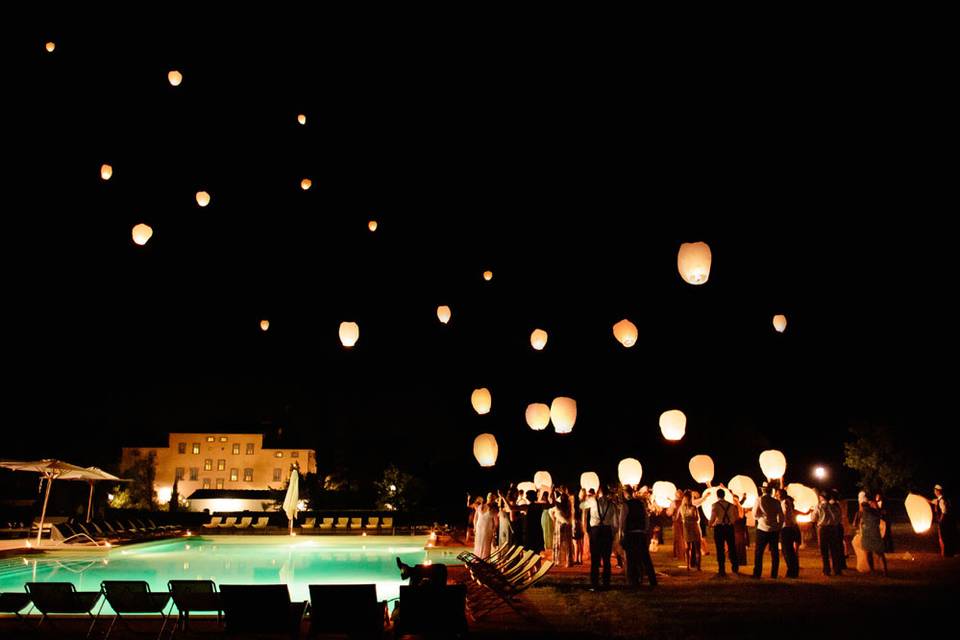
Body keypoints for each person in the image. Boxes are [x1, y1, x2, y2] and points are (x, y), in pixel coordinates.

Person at [620, 485, 657, 587]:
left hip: (631, 533)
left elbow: (622, 521)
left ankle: (634, 581)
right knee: (645, 558)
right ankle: (652, 580)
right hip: (640, 533)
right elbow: (646, 518)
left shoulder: (625, 505)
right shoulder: (640, 504)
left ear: (625, 493)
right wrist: (645, 529)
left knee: (631, 558)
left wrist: (622, 533)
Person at [584, 484, 617, 590]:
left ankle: (594, 584)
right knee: (606, 559)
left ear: (598, 493)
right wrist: (613, 533)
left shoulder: (592, 503)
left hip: (596, 531)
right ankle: (606, 583)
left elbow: (582, 506)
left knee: (595, 559)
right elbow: (615, 521)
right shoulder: (611, 504)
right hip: (607, 530)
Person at [752, 483, 783, 579]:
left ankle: (757, 573)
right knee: (774, 553)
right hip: (774, 529)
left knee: (759, 552)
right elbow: (781, 515)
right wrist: (779, 525)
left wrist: (761, 517)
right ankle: (774, 573)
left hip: (762, 528)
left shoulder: (759, 500)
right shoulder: (776, 502)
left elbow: (755, 515)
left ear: (763, 490)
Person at [709, 488, 739, 576]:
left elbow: (712, 517)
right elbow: (736, 517)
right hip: (729, 527)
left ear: (717, 495)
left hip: (719, 528)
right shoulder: (731, 505)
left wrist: (710, 524)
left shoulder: (715, 505)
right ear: (724, 495)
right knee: (732, 547)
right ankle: (735, 567)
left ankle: (721, 569)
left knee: (720, 548)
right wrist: (731, 521)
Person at [778, 488, 807, 578]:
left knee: (787, 550)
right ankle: (793, 570)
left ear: (781, 495)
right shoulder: (787, 502)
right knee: (789, 550)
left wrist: (779, 524)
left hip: (786, 528)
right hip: (789, 527)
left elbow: (784, 514)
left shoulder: (784, 503)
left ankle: (792, 571)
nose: (776, 496)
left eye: (778, 494)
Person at [815, 489, 844, 576]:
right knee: (834, 550)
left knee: (824, 551)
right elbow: (839, 518)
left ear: (822, 497)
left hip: (823, 529)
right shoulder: (834, 507)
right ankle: (837, 570)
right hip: (833, 529)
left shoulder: (819, 506)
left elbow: (813, 517)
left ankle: (826, 570)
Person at [858, 495, 887, 576]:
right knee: (878, 552)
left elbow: (859, 523)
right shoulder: (873, 512)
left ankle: (874, 570)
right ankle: (883, 571)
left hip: (869, 533)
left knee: (870, 552)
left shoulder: (865, 512)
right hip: (873, 532)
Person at [931, 485, 957, 557]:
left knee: (944, 537)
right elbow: (931, 501)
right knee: (943, 536)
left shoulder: (942, 500)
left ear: (938, 491)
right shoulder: (939, 499)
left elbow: (944, 512)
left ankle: (946, 553)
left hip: (944, 522)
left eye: (935, 490)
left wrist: (940, 521)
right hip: (943, 521)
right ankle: (945, 553)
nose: (934, 492)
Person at [680, 491, 702, 570]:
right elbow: (697, 518)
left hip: (689, 527)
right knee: (693, 548)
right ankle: (694, 566)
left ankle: (691, 566)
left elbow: (683, 518)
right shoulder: (691, 507)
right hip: (691, 527)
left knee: (690, 547)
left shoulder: (685, 507)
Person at [471, 493, 495, 559]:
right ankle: (478, 559)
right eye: (490, 497)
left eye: (492, 498)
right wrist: (475, 527)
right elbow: (475, 518)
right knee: (478, 544)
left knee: (485, 545)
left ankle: (484, 560)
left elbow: (496, 522)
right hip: (479, 528)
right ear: (487, 498)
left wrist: (494, 531)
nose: (491, 499)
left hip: (487, 529)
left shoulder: (494, 509)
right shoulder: (480, 506)